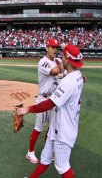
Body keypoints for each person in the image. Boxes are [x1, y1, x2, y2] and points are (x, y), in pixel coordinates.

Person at [17, 44, 85, 178]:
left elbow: (49, 104)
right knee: (45, 158)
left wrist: (28, 109)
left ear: (66, 58)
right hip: (58, 126)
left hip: (63, 131)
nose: (60, 56)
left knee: (63, 167)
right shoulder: (78, 75)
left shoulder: (69, 81)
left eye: (62, 55)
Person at [26, 38, 64, 164]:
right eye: (52, 47)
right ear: (47, 48)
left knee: (52, 127)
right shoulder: (43, 62)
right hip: (43, 99)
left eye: (56, 47)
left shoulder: (58, 60)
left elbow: (66, 72)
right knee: (38, 128)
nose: (55, 50)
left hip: (54, 100)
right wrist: (65, 60)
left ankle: (48, 150)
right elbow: (55, 71)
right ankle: (30, 152)